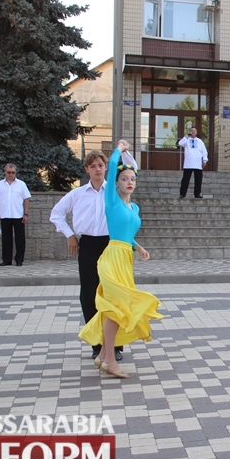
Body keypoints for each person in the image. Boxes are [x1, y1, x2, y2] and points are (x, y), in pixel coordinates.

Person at [78, 141, 162, 378]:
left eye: (132, 179)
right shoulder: (112, 201)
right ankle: (110, 360)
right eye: (124, 179)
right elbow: (113, 164)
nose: (129, 182)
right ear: (116, 183)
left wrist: (139, 248)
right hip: (112, 256)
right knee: (116, 308)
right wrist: (118, 150)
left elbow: (126, 234)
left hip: (125, 257)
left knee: (116, 308)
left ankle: (104, 357)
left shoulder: (133, 208)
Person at [50, 150, 123, 362]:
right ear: (87, 169)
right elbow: (56, 214)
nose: (98, 169)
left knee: (113, 295)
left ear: (105, 167)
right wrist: (69, 235)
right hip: (88, 244)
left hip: (111, 245)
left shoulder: (115, 191)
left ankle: (115, 345)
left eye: (101, 165)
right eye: (93, 166)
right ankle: (96, 343)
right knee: (89, 295)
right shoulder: (78, 194)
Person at [0, 164, 31, 266]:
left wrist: (26, 214)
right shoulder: (0, 184)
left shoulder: (21, 184)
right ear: (5, 172)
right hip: (5, 215)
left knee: (20, 239)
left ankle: (19, 260)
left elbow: (26, 200)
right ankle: (7, 260)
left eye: (13, 172)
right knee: (6, 239)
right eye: (9, 172)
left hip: (18, 216)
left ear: (15, 173)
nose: (11, 174)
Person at [178, 127, 209, 198]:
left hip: (198, 164)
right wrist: (186, 136)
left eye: (194, 131)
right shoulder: (187, 140)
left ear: (196, 133)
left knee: (198, 180)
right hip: (188, 164)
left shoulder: (200, 141)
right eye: (191, 131)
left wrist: (205, 160)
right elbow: (180, 143)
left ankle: (197, 194)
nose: (193, 132)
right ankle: (182, 194)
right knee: (185, 179)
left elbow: (204, 151)